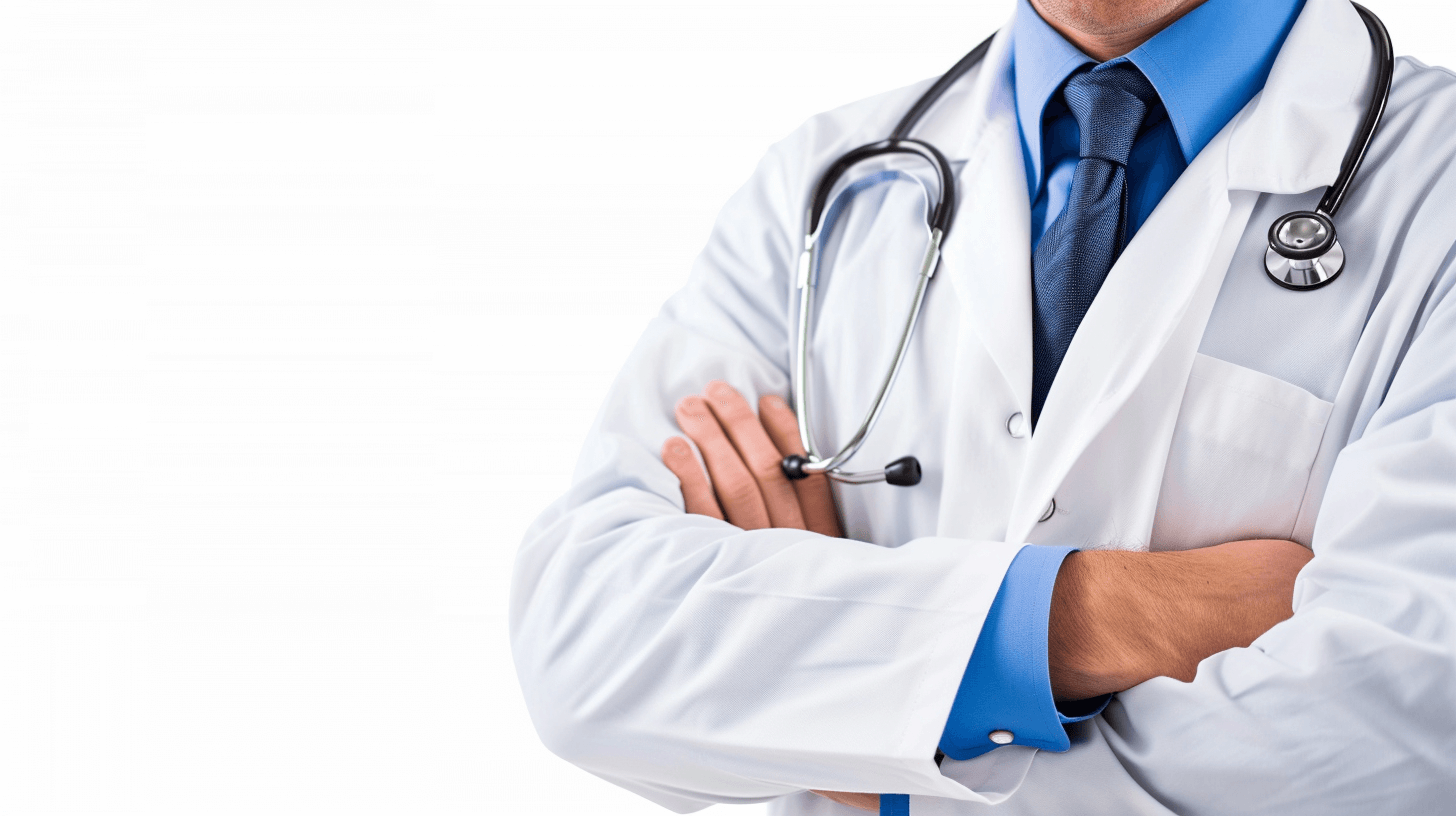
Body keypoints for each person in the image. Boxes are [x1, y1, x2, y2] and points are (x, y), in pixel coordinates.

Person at [510, 0, 1456, 813]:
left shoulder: (1436, 188)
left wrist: (869, 750)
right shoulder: (827, 186)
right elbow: (588, 644)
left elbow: (1403, 723)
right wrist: (1101, 614)